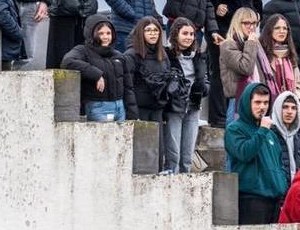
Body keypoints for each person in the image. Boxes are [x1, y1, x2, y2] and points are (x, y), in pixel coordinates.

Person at [207, 0, 264, 125]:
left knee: (244, 72)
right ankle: (218, 117)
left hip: (245, 32)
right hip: (223, 29)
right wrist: (216, 6)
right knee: (220, 72)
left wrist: (256, 16)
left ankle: (240, 113)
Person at [226, 82, 291, 224]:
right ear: (247, 102)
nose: (262, 107)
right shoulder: (235, 129)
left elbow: (279, 163)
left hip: (274, 199)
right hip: (251, 199)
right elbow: (245, 153)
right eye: (257, 102)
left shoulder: (270, 134)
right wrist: (262, 131)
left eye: (266, 103)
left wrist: (281, 185)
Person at [61, 14, 137, 122]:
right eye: (101, 33)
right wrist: (96, 74)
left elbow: (128, 88)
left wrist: (133, 114)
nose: (105, 37)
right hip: (98, 107)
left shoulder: (119, 56)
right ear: (91, 34)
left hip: (120, 107)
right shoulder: (82, 50)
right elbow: (68, 62)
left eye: (108, 33)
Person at [164, 18, 208, 174]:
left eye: (191, 34)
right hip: (174, 108)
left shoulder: (199, 56)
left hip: (193, 107)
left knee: (188, 153)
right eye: (185, 33)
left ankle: (186, 180)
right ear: (175, 34)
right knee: (173, 152)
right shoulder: (166, 55)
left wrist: (204, 88)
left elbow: (205, 78)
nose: (189, 37)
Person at [126, 17, 172, 157]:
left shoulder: (163, 55)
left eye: (156, 30)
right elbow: (127, 86)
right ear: (141, 33)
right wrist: (133, 113)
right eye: (148, 30)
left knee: (157, 151)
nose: (153, 33)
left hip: (158, 109)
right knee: (142, 152)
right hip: (140, 110)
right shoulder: (132, 55)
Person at [219, 8, 261, 123]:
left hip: (255, 99)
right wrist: (251, 44)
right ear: (237, 23)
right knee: (235, 139)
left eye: (254, 23)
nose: (251, 27)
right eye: (247, 23)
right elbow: (245, 68)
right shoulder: (228, 45)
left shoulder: (254, 44)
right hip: (237, 101)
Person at [255, 14, 300, 111]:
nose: (282, 31)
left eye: (285, 28)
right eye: (277, 28)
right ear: (270, 30)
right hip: (266, 106)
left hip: (288, 108)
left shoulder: (290, 55)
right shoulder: (260, 54)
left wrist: (299, 101)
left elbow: (298, 85)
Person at [272, 90, 300, 181]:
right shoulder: (270, 135)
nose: (289, 112)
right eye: (285, 107)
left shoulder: (299, 137)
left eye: (293, 108)